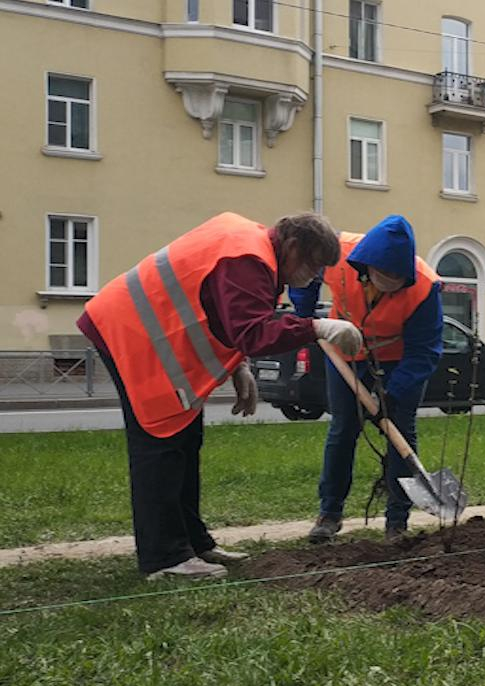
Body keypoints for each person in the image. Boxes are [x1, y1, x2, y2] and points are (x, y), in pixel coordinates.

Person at [78, 212, 362, 580]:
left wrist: (237, 366)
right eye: (311, 265)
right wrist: (317, 326)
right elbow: (253, 330)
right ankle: (165, 557)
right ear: (292, 246)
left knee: (185, 439)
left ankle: (194, 543)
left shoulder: (252, 250)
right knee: (160, 445)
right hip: (131, 335)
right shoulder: (247, 259)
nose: (313, 277)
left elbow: (220, 312)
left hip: (145, 334)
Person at [290, 215, 443, 543]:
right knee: (343, 429)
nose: (391, 285)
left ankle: (397, 521)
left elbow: (424, 351)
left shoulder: (425, 287)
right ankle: (329, 514)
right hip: (344, 352)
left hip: (398, 358)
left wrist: (395, 392)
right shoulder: (339, 254)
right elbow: (306, 273)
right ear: (366, 267)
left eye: (398, 280)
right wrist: (304, 314)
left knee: (401, 431)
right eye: (384, 277)